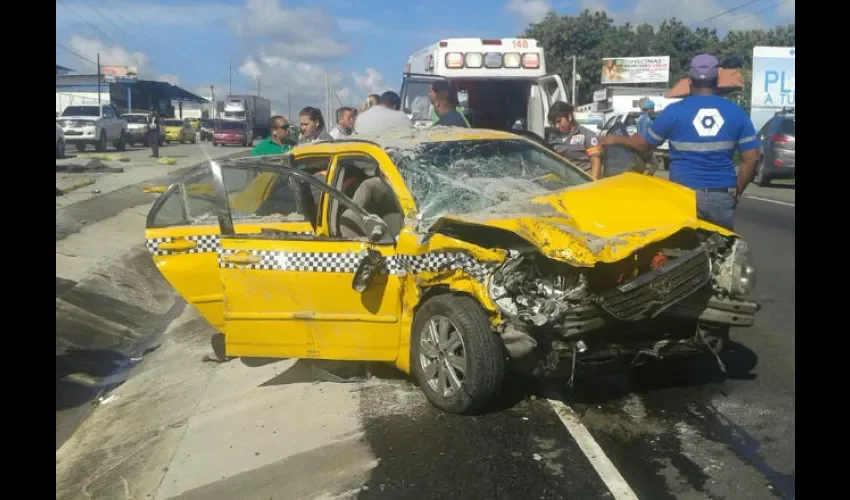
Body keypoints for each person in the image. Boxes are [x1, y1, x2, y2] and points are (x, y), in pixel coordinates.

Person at [598, 54, 759, 231]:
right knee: (723, 243)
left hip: (682, 195)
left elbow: (644, 145)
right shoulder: (736, 112)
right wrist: (737, 190)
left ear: (689, 81)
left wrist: (615, 139)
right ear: (718, 80)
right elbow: (751, 158)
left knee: (682, 245)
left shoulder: (673, 112)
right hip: (720, 196)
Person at [546, 101, 602, 179]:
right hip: (561, 180)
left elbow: (596, 164)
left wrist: (593, 183)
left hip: (583, 179)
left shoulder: (587, 135)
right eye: (554, 123)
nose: (557, 126)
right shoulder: (550, 136)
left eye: (559, 121)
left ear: (569, 116)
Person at [635, 99, 659, 176]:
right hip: (645, 146)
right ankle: (647, 178)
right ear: (649, 109)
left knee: (642, 166)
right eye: (653, 108)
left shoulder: (639, 118)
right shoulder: (647, 120)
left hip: (639, 145)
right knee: (655, 164)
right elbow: (645, 134)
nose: (653, 110)